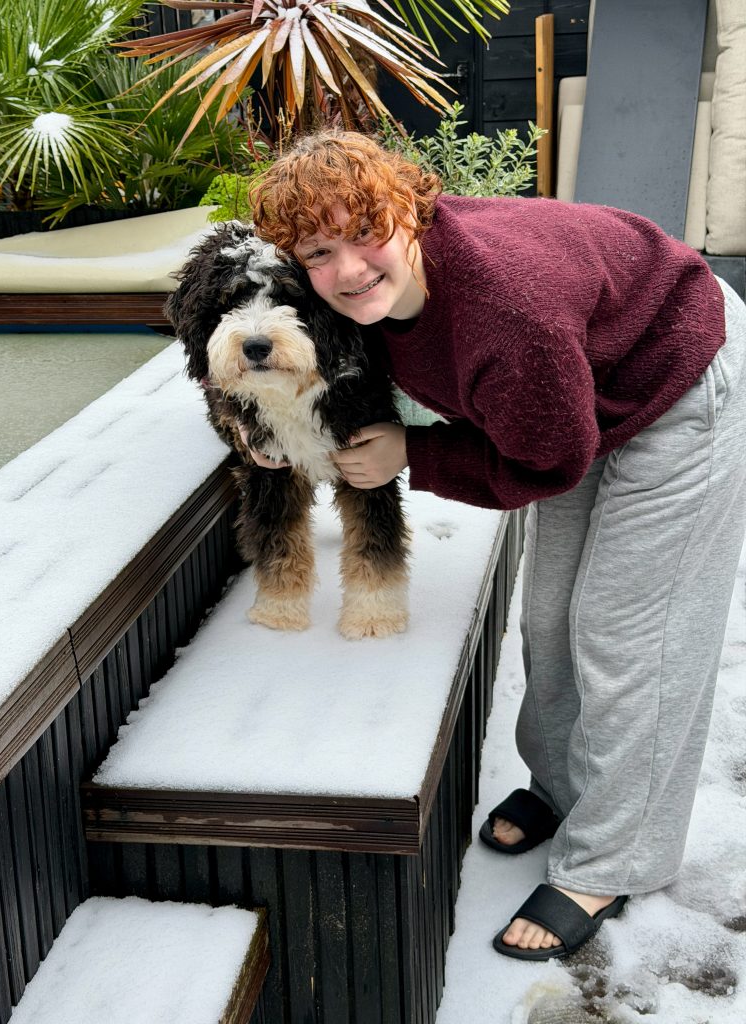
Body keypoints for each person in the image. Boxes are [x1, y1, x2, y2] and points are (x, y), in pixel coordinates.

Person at [248, 129, 746, 960]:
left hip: (681, 369)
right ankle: (562, 787)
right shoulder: (371, 297)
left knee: (629, 635)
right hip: (590, 376)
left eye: (365, 231)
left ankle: (613, 858)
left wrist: (417, 455)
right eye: (319, 251)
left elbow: (546, 460)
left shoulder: (507, 317)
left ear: (409, 210)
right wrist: (273, 431)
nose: (348, 268)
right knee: (551, 616)